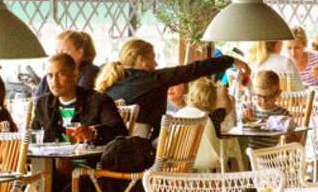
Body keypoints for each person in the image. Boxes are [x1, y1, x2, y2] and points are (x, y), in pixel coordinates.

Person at [31, 52, 129, 192]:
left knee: (61, 190)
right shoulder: (43, 104)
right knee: (25, 186)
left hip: (91, 170)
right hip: (53, 168)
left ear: (75, 74)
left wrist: (94, 132)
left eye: (61, 74)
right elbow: (34, 136)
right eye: (50, 76)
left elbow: (119, 131)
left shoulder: (97, 100)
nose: (54, 81)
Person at [101, 38, 236, 138]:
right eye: (153, 58)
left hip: (110, 150)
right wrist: (230, 60)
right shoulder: (152, 79)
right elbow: (193, 70)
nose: (156, 63)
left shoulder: (111, 83)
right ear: (143, 61)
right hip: (140, 152)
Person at [32, 29, 99, 97]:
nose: (59, 56)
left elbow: (78, 98)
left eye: (64, 52)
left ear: (79, 52)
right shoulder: (51, 74)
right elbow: (37, 99)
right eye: (57, 52)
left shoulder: (90, 72)